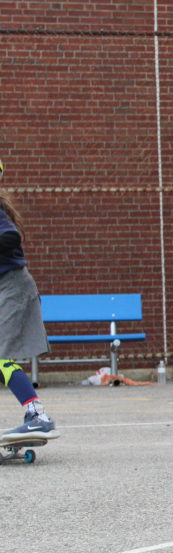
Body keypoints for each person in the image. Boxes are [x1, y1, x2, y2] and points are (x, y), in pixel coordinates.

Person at [0, 159, 61, 442]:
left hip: (13, 288)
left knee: (2, 359)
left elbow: (10, 237)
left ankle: (38, 416)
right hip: (6, 288)